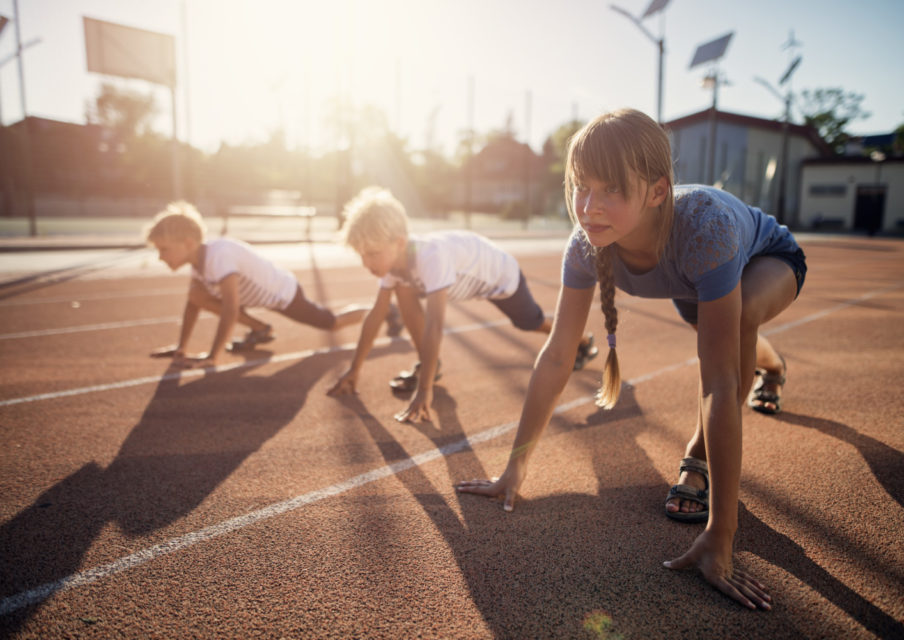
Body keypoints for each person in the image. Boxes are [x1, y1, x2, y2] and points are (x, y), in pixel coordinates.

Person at [456, 108, 807, 610]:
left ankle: (698, 455)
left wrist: (721, 534)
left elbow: (719, 386)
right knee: (728, 338)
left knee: (739, 327)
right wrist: (513, 469)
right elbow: (558, 356)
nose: (590, 207)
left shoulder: (704, 230)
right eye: (581, 187)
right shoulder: (584, 247)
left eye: (612, 191)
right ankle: (773, 366)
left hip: (767, 260)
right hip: (695, 280)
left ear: (658, 190)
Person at [327, 186, 598, 423]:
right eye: (362, 255)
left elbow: (434, 326)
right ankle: (429, 365)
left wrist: (424, 391)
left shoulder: (430, 258)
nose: (367, 263)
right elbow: (376, 315)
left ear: (399, 243)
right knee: (402, 290)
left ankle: (581, 341)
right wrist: (354, 370)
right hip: (468, 273)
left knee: (530, 323)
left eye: (372, 254)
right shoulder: (393, 264)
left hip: (500, 277)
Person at [145, 201, 391, 368]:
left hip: (283, 293)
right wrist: (181, 347)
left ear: (188, 243)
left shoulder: (219, 256)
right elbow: (193, 304)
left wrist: (212, 356)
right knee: (196, 295)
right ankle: (261, 329)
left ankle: (386, 312)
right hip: (257, 298)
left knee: (332, 323)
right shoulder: (198, 261)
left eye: (164, 249)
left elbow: (231, 308)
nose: (160, 257)